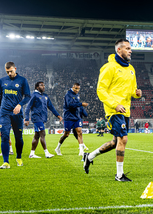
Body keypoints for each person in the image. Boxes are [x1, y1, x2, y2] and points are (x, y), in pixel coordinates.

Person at [83, 39, 142, 182]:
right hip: (114, 109)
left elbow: (132, 90)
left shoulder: (131, 69)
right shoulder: (109, 67)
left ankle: (89, 156)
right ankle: (119, 175)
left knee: (116, 142)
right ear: (119, 50)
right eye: (127, 48)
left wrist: (136, 93)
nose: (130, 51)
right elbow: (101, 90)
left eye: (130, 48)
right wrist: (114, 104)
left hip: (125, 110)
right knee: (124, 139)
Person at [0, 62, 31, 169]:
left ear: (15, 68)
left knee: (18, 138)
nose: (9, 73)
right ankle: (6, 162)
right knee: (4, 136)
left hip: (17, 113)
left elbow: (28, 96)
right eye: (7, 72)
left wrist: (20, 104)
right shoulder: (2, 81)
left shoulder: (22, 80)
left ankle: (18, 157)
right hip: (4, 112)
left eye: (11, 71)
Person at [24, 81, 63, 158]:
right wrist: (26, 118)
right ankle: (46, 153)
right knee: (43, 134)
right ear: (37, 87)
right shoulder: (34, 95)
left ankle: (32, 154)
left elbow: (51, 107)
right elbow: (28, 107)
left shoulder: (45, 96)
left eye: (44, 85)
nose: (44, 86)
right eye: (41, 85)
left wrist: (58, 115)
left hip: (42, 118)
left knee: (37, 136)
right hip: (36, 117)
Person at [55, 83, 89, 156]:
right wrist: (81, 104)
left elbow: (78, 105)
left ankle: (81, 151)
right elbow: (70, 105)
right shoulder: (68, 95)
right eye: (76, 88)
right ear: (73, 87)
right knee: (66, 134)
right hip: (68, 117)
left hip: (76, 117)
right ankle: (57, 148)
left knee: (79, 132)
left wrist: (83, 111)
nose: (77, 90)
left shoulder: (77, 95)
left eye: (78, 89)